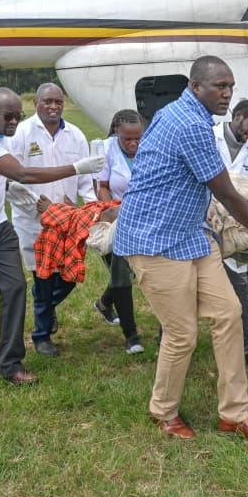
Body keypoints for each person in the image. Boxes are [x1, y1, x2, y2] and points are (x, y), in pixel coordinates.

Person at [113, 55, 248, 442]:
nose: (227, 94)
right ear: (196, 87)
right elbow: (227, 192)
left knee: (228, 315)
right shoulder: (191, 125)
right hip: (154, 239)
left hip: (191, 234)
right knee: (181, 334)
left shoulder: (173, 111)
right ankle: (164, 412)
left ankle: (235, 413)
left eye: (230, 86)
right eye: (219, 86)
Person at [0, 87, 104, 385]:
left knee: (14, 289)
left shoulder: (6, 134)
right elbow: (22, 174)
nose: (14, 121)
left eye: (18, 116)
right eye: (8, 116)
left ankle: (11, 364)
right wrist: (76, 168)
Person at [6, 83, 96, 358]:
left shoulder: (75, 135)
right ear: (35, 103)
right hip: (34, 221)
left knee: (69, 275)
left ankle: (46, 309)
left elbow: (84, 180)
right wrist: (37, 206)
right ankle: (41, 335)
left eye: (58, 101)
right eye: (47, 101)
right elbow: (11, 177)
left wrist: (90, 206)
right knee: (43, 277)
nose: (53, 106)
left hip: (66, 220)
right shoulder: (21, 133)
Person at [213, 99, 248, 370]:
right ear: (237, 116)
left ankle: (247, 346)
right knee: (189, 287)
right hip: (204, 222)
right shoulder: (209, 137)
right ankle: (168, 339)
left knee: (239, 286)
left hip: (235, 225)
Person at [95, 109, 146, 354]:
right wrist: (113, 208)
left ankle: (105, 303)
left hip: (145, 220)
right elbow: (102, 186)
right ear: (117, 132)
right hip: (115, 219)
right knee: (122, 275)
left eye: (138, 138)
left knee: (134, 271)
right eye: (128, 139)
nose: (134, 143)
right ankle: (131, 335)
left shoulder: (149, 148)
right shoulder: (107, 149)